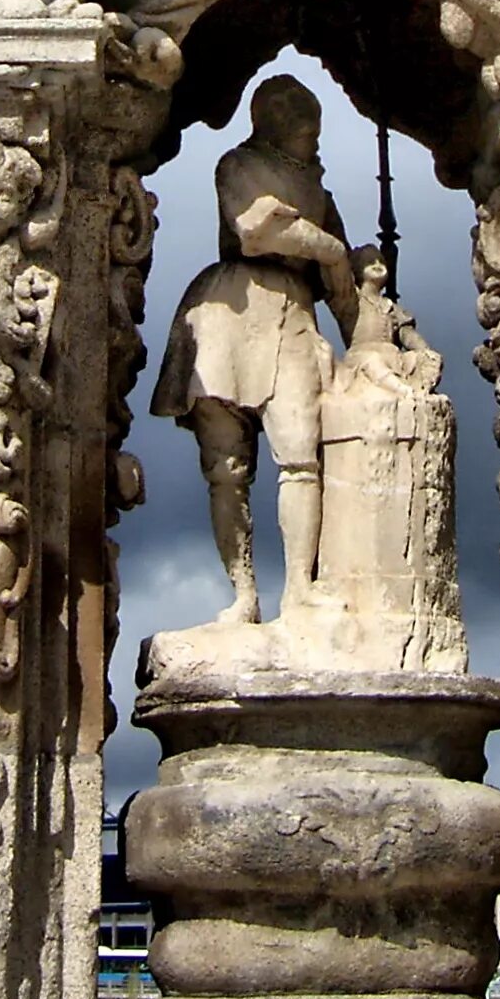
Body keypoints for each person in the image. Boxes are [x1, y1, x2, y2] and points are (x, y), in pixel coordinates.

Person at [150, 75, 359, 621]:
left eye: (315, 125)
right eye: (303, 123)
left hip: (292, 318)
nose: (313, 135)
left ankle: (299, 590)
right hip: (229, 313)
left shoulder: (318, 192)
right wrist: (330, 248)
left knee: (300, 454)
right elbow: (256, 230)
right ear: (273, 122)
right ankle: (244, 595)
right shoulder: (237, 166)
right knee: (226, 466)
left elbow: (343, 289)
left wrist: (375, 339)